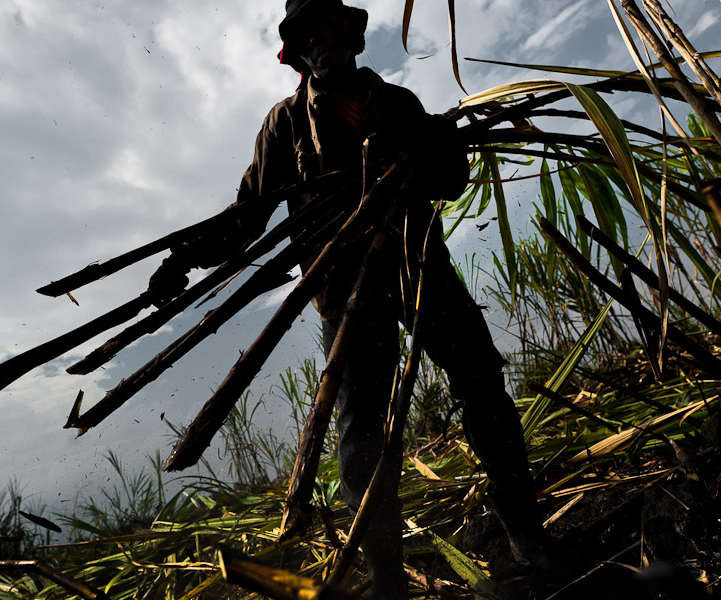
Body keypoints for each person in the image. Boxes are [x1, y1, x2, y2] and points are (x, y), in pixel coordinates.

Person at [150, 1, 555, 597]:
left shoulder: (400, 106)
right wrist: (181, 258)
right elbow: (246, 217)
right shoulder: (284, 125)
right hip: (346, 291)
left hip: (423, 271)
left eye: (329, 26)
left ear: (352, 36)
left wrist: (443, 151)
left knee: (482, 384)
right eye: (305, 34)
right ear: (295, 52)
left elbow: (448, 182)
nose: (319, 40)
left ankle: (529, 540)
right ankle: (386, 579)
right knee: (362, 433)